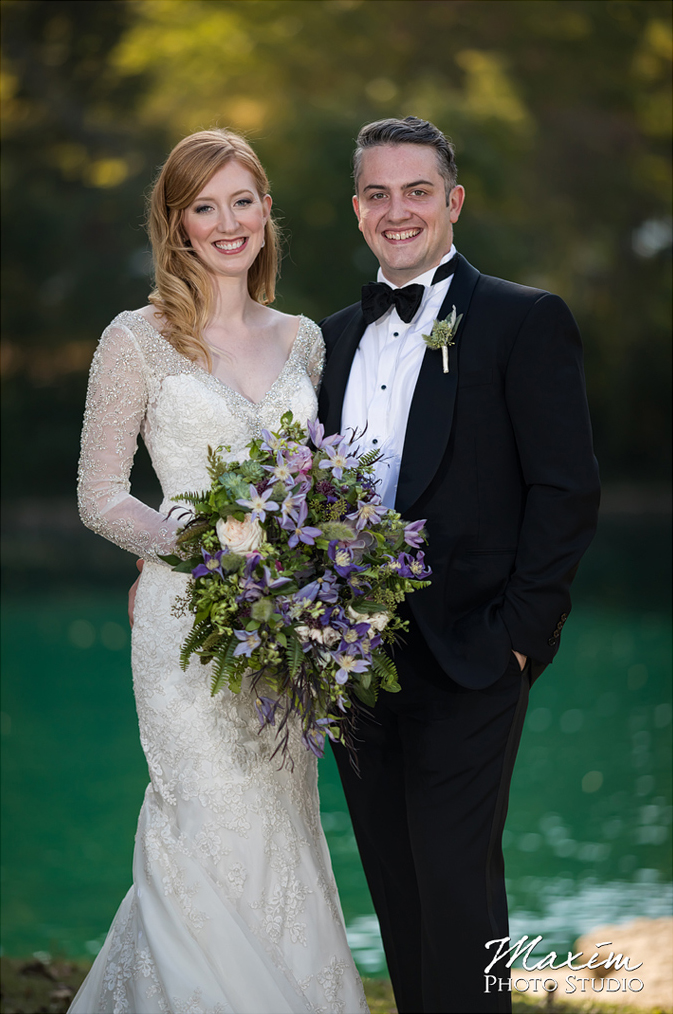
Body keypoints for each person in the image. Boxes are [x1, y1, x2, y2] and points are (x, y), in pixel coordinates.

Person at [71, 129, 367, 1014]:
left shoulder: (305, 341)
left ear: (267, 211)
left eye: (242, 201)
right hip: (184, 625)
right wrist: (200, 549)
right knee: (200, 817)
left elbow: (316, 486)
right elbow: (99, 496)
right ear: (177, 225)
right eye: (204, 206)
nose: (226, 222)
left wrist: (314, 566)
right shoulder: (135, 340)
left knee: (281, 820)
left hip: (284, 624)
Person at [318, 116, 600, 1014]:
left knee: (455, 885)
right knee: (397, 890)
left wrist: (521, 636)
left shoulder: (523, 319)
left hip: (473, 652)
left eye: (416, 191)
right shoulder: (323, 342)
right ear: (355, 207)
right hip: (351, 663)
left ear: (453, 201)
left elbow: (566, 490)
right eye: (377, 193)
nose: (396, 211)